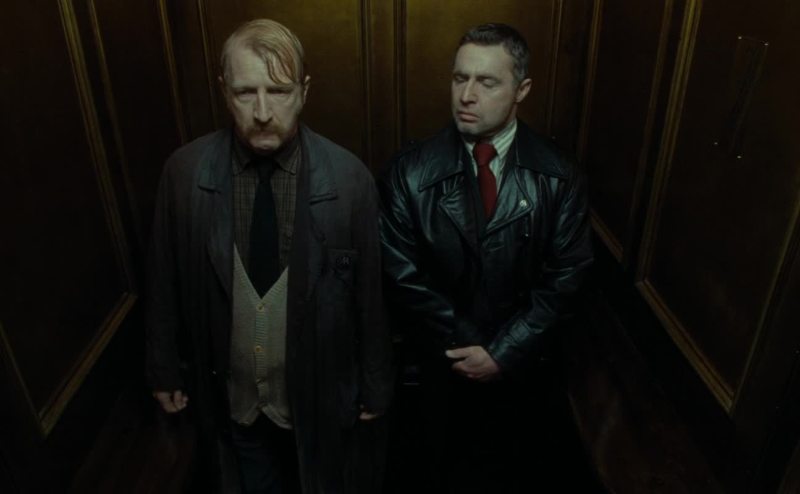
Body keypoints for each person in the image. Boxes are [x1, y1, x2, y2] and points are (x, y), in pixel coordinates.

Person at [146, 18, 392, 494]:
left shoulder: (349, 180)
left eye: (278, 91)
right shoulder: (184, 174)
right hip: (231, 401)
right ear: (224, 90)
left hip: (318, 397)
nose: (262, 111)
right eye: (245, 92)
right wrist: (163, 367)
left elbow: (370, 297)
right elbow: (163, 280)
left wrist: (376, 383)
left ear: (304, 91)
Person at [380, 23, 593, 492]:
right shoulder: (408, 174)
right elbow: (400, 274)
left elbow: (566, 279)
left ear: (522, 90)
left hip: (525, 378)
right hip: (439, 373)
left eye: (487, 82)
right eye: (460, 78)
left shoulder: (559, 177)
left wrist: (503, 353)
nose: (467, 95)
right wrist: (470, 345)